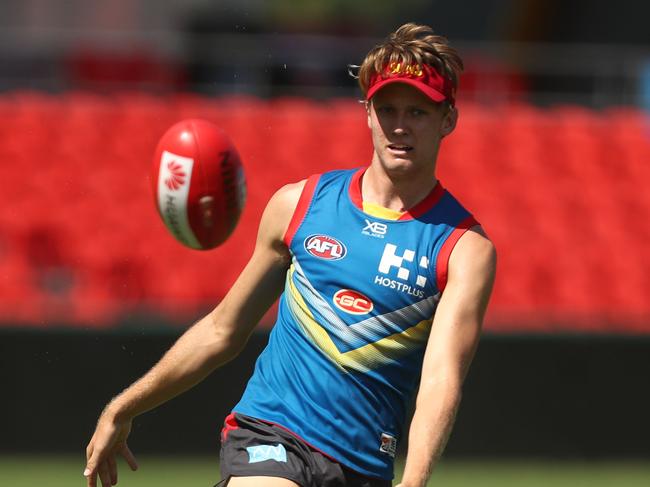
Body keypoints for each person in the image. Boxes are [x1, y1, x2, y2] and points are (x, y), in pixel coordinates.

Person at [84, 22, 496, 487]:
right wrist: (124, 406)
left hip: (363, 466)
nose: (399, 126)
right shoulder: (298, 204)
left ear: (448, 120)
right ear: (367, 113)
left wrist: (415, 480)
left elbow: (441, 378)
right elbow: (223, 330)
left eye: (418, 112)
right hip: (271, 433)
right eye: (386, 109)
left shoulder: (464, 250)